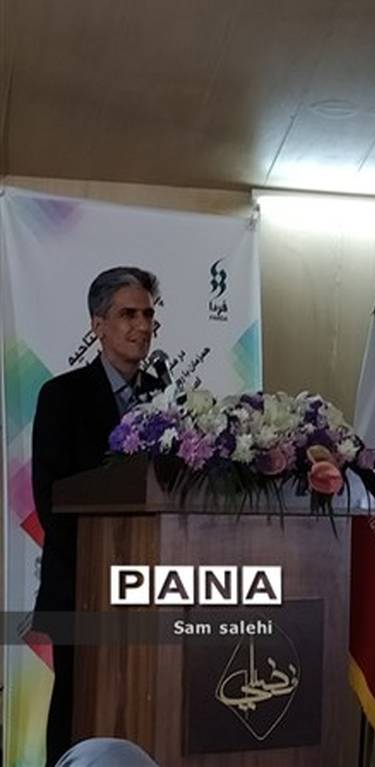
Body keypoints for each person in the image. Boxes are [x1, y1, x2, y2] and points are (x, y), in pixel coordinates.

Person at [31, 267, 164, 766]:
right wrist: (103, 563)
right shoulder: (61, 395)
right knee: (76, 704)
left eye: (148, 315)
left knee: (147, 702)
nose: (142, 326)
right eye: (128, 314)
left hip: (151, 587)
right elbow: (50, 496)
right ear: (97, 325)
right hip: (81, 586)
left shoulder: (166, 396)